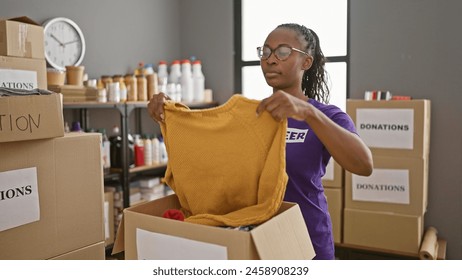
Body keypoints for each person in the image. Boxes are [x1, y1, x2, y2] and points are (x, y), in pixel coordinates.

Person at [148, 23, 373, 260]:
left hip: (307, 239)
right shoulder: (249, 117)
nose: (270, 60)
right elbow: (214, 163)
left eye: (283, 52)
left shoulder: (327, 115)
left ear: (306, 62)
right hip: (254, 237)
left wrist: (308, 112)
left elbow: (363, 165)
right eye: (265, 52)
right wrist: (174, 115)